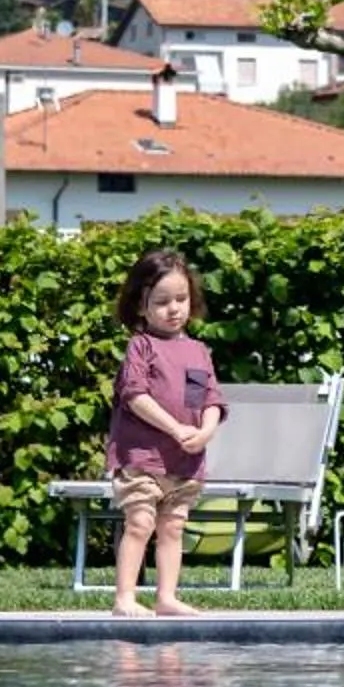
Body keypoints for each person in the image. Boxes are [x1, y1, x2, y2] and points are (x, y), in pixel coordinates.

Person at [107, 248, 226, 618]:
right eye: (162, 302)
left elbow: (208, 397)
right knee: (140, 522)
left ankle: (166, 597)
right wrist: (175, 428)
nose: (174, 308)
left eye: (181, 299)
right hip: (143, 457)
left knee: (173, 527)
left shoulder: (197, 351)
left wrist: (205, 431)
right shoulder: (141, 346)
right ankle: (124, 598)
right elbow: (134, 395)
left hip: (184, 460)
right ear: (141, 307)